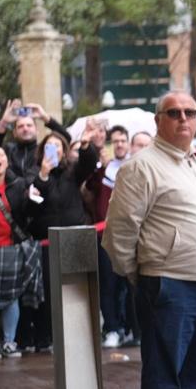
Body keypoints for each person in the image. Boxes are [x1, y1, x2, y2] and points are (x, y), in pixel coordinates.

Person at [103, 91, 196, 389]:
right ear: (158, 121)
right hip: (167, 285)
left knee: (193, 376)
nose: (183, 118)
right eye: (174, 113)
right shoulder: (141, 167)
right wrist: (140, 274)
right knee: (164, 377)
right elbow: (120, 232)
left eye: (190, 111)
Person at [20, 125, 100, 352]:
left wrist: (85, 145)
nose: (53, 149)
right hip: (46, 243)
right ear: (42, 151)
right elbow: (31, 207)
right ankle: (46, 338)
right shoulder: (32, 173)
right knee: (47, 292)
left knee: (75, 290)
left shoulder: (72, 172)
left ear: (64, 152)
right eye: (49, 146)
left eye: (58, 146)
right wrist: (43, 175)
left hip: (73, 240)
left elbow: (88, 164)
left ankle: (77, 336)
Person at [85, 125, 136, 348]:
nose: (119, 144)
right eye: (115, 141)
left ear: (129, 143)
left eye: (123, 140)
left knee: (133, 286)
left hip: (133, 236)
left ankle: (134, 329)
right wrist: (101, 168)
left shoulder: (137, 167)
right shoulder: (104, 169)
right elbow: (90, 188)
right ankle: (113, 329)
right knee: (109, 284)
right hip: (106, 235)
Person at [0, 147, 43, 358]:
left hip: (11, 248)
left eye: (1, 155)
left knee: (11, 297)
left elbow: (28, 214)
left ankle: (9, 342)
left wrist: (33, 200)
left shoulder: (18, 186)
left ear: (7, 163)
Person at [0, 100, 71, 181]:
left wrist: (44, 117)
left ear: (37, 130)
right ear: (14, 133)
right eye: (20, 126)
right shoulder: (8, 150)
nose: (25, 129)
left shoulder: (43, 150)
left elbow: (66, 138)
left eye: (29, 125)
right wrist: (3, 122)